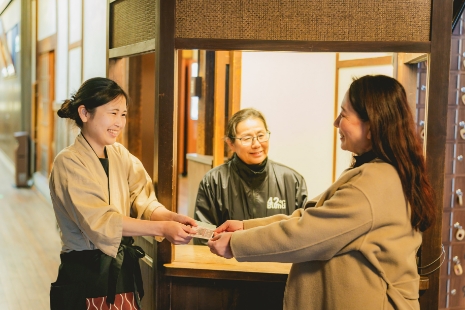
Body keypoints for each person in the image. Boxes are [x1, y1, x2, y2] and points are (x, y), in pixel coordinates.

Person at [208, 75, 435, 310]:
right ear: (231, 143)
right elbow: (312, 218)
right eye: (246, 138)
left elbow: (307, 234)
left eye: (344, 114)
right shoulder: (377, 172)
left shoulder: (374, 183)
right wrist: (246, 227)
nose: (336, 122)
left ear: (372, 125)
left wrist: (236, 243)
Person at [49, 77, 197, 310]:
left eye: (124, 114)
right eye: (113, 113)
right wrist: (162, 229)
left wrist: (170, 217)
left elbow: (142, 197)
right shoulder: (68, 162)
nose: (119, 122)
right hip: (86, 273)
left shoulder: (119, 153)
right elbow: (101, 222)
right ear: (85, 113)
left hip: (120, 272)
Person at [193, 108, 308, 244]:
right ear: (231, 144)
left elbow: (302, 231)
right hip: (228, 262)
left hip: (278, 263)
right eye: (247, 138)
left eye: (261, 136)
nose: (257, 144)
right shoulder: (213, 181)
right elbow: (203, 235)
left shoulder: (292, 180)